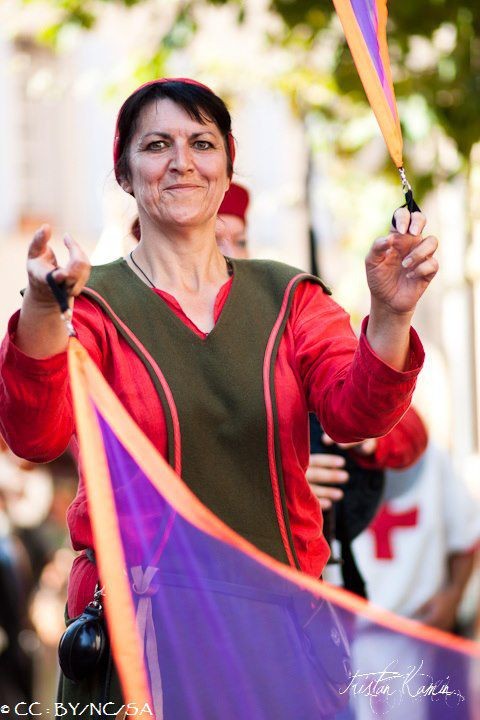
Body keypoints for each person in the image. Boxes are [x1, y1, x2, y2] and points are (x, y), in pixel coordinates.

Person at [0, 78, 438, 703]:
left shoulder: (289, 296)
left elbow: (356, 415)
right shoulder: (92, 303)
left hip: (279, 638)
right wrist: (45, 308)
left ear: (227, 165)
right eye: (157, 145)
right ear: (124, 172)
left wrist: (391, 315)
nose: (182, 161)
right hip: (143, 642)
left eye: (201, 143)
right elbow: (34, 436)